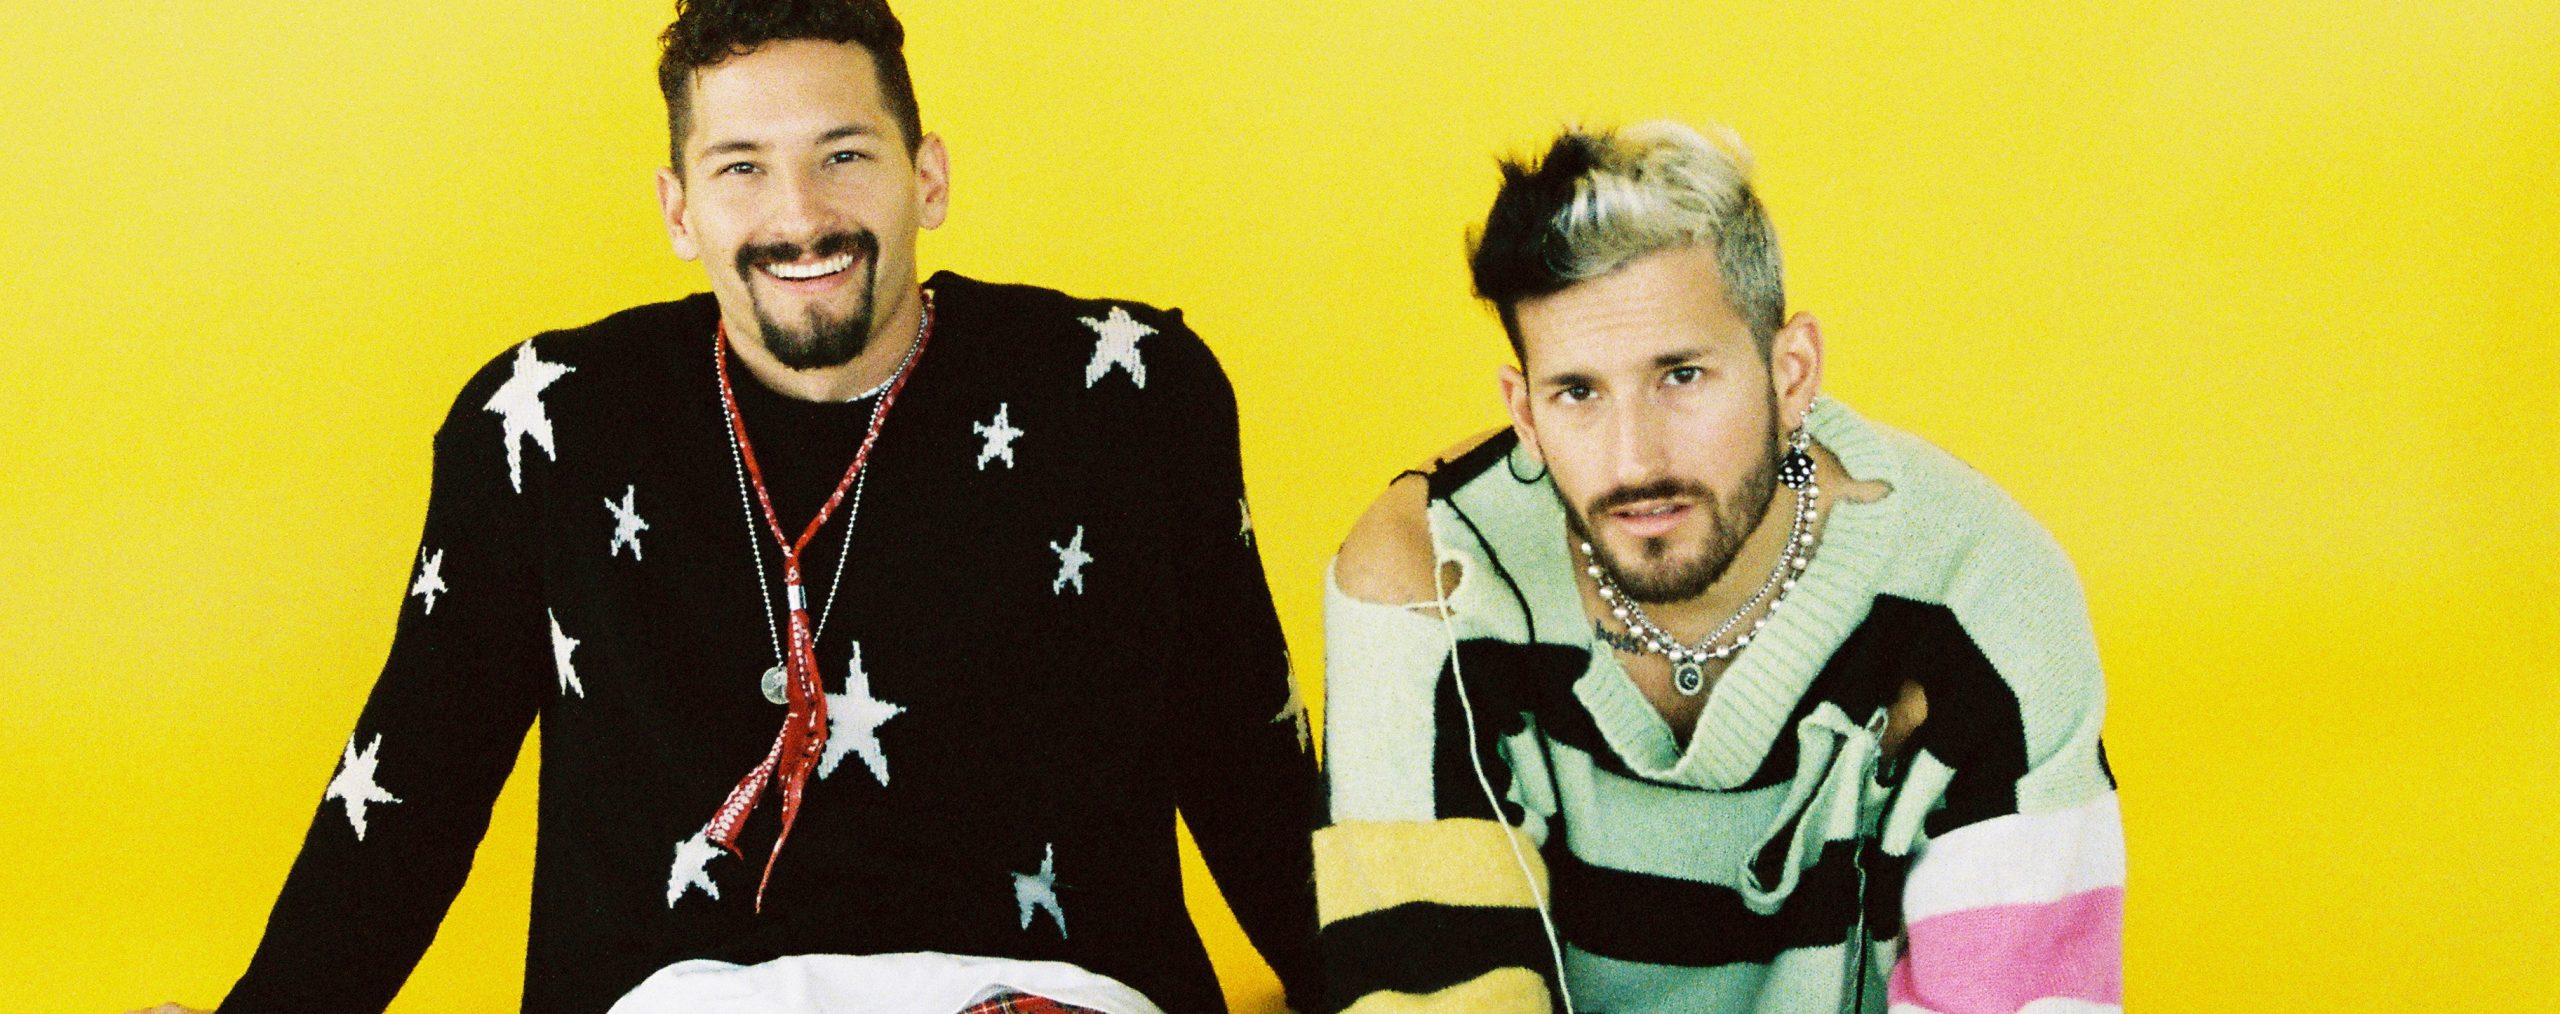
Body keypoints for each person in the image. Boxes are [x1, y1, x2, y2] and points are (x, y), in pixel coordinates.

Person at [138, 2, 1320, 1011]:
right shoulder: (548, 422)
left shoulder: (1123, 393)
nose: (798, 216)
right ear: (677, 209)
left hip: (1039, 991)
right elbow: (417, 781)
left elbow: (1243, 758)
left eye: (843, 155)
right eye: (741, 167)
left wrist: (1384, 988)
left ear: (928, 177)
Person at [1314, 121, 2122, 1013]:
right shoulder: (1427, 580)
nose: (1634, 458)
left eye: (1683, 376)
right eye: (1578, 392)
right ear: (1526, 414)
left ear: (1792, 372)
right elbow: (1423, 992)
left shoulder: (1980, 594)